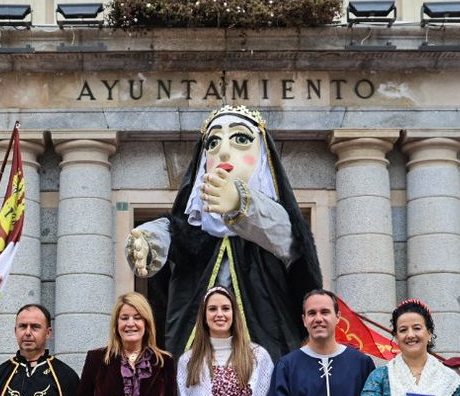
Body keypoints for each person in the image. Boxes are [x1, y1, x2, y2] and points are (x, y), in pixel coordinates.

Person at [127, 104, 323, 360]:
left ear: (262, 154)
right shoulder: (197, 224)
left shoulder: (275, 219)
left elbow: (284, 235)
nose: (224, 152)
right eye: (213, 143)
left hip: (260, 344)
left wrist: (240, 202)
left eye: (241, 139)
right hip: (201, 350)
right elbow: (177, 232)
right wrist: (150, 239)